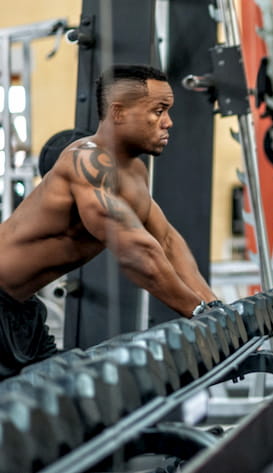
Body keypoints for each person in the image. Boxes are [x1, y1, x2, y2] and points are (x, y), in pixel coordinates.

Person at [0, 64, 221, 379]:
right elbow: (136, 252)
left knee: (65, 408)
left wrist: (213, 307)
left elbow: (167, 241)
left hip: (21, 311)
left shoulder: (134, 174)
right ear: (118, 112)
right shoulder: (86, 161)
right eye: (158, 111)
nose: (168, 122)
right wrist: (196, 311)